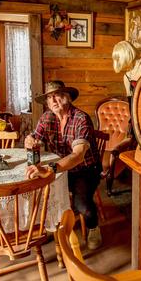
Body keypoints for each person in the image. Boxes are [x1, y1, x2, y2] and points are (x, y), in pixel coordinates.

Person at [24, 80, 103, 250]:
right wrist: (30, 141)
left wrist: (51, 168)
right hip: (61, 169)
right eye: (50, 98)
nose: (53, 101)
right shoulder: (47, 117)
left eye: (57, 96)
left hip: (85, 169)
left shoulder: (81, 118)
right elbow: (34, 138)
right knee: (39, 192)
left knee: (81, 204)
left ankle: (93, 227)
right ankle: (51, 228)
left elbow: (78, 156)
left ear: (67, 97)